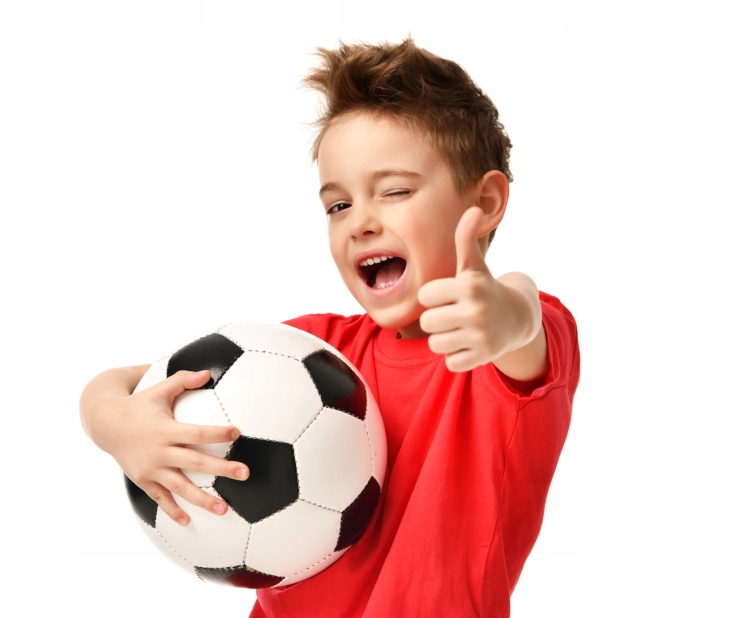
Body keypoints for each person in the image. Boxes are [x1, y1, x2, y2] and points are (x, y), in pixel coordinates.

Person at [80, 37, 580, 618]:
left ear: (486, 201)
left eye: (394, 191)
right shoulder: (309, 354)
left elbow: (524, 320)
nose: (360, 222)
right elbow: (132, 382)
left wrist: (504, 309)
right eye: (338, 205)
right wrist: (113, 423)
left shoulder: (504, 352)